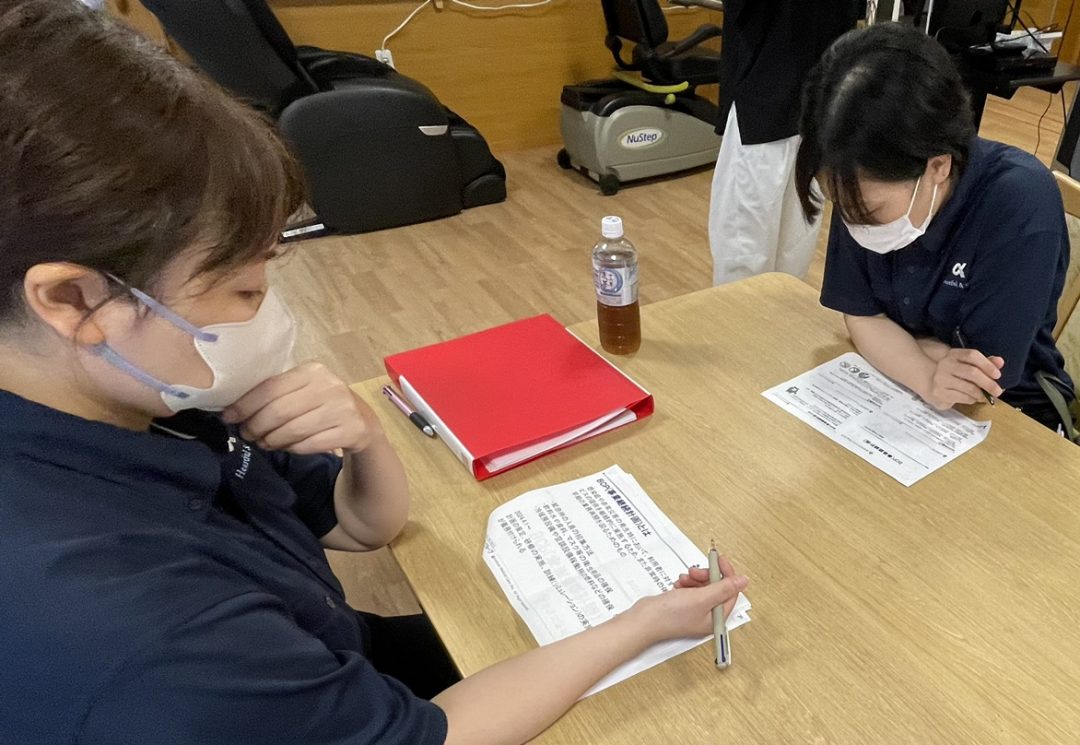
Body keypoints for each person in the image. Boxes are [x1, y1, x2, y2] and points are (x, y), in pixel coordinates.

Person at [0, 3, 749, 744]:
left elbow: (361, 524)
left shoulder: (146, 400)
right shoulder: (142, 629)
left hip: (339, 659)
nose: (264, 314)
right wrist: (640, 624)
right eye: (241, 289)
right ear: (73, 299)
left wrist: (366, 437)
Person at [795, 22, 1075, 434]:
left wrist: (903, 346)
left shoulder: (1017, 202)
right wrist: (925, 371)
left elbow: (976, 381)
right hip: (902, 393)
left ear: (939, 166)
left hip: (1011, 415)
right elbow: (861, 318)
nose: (855, 223)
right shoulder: (859, 178)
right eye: (842, 206)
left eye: (870, 211)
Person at [708, 0, 859, 286]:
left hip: (790, 104)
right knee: (769, 249)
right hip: (787, 103)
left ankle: (772, 312)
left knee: (764, 251)